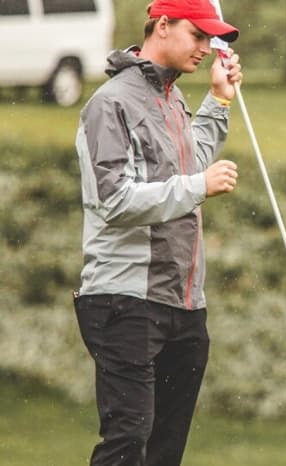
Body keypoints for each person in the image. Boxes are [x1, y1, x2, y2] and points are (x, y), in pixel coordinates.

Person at [73, 1, 242, 464]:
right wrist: (197, 187)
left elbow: (190, 162)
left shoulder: (172, 97)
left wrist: (220, 100)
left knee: (164, 452)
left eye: (211, 40)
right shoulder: (110, 104)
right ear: (162, 26)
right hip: (124, 300)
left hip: (184, 304)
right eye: (198, 36)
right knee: (128, 444)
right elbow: (114, 200)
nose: (207, 49)